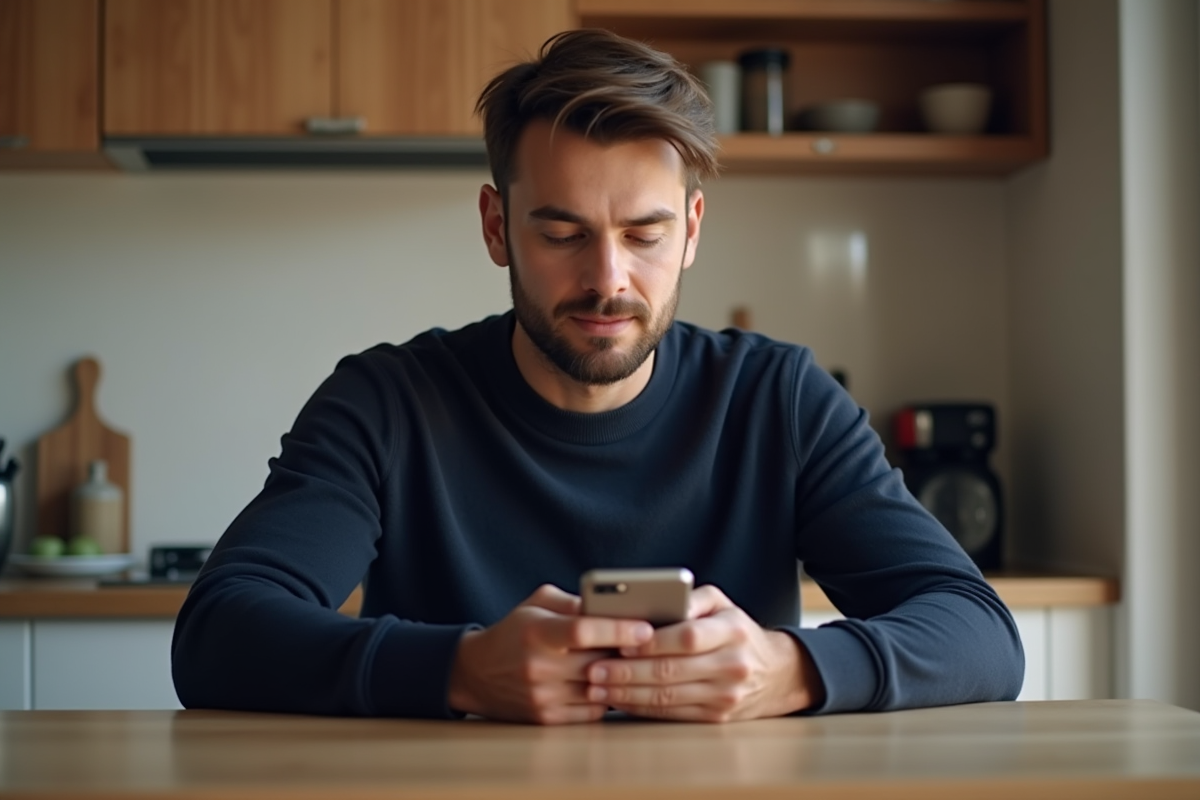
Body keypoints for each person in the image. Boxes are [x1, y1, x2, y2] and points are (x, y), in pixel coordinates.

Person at [172, 29, 1023, 724]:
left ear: (692, 230)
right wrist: (460, 669)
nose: (608, 280)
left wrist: (789, 669)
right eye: (562, 233)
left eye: (645, 235)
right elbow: (217, 631)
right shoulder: (387, 403)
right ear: (496, 227)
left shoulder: (781, 400)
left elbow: (980, 632)